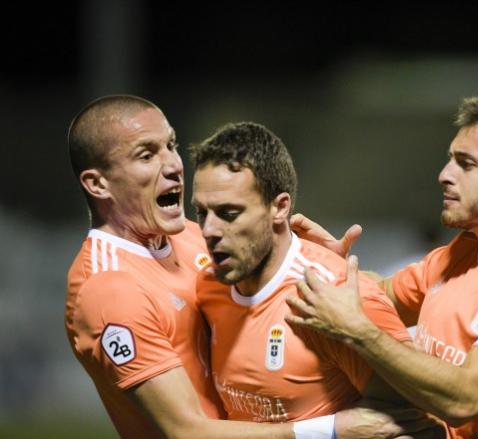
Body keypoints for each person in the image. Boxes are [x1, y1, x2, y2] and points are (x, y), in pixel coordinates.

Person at [65, 95, 435, 439]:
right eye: (147, 155)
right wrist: (330, 430)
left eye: (172, 146)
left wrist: (310, 261)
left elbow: (266, 274)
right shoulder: (111, 289)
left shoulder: (192, 237)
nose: (174, 165)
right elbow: (186, 432)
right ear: (98, 184)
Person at [286, 96, 478, 438]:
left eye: (465, 164)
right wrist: (332, 266)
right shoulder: (464, 251)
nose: (444, 175)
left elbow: (466, 398)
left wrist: (358, 331)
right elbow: (383, 294)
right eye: (450, 160)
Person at [190, 122, 440, 436]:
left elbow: (417, 426)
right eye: (201, 213)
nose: (209, 230)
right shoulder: (209, 286)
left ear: (279, 207)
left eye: (228, 213)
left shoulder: (335, 299)